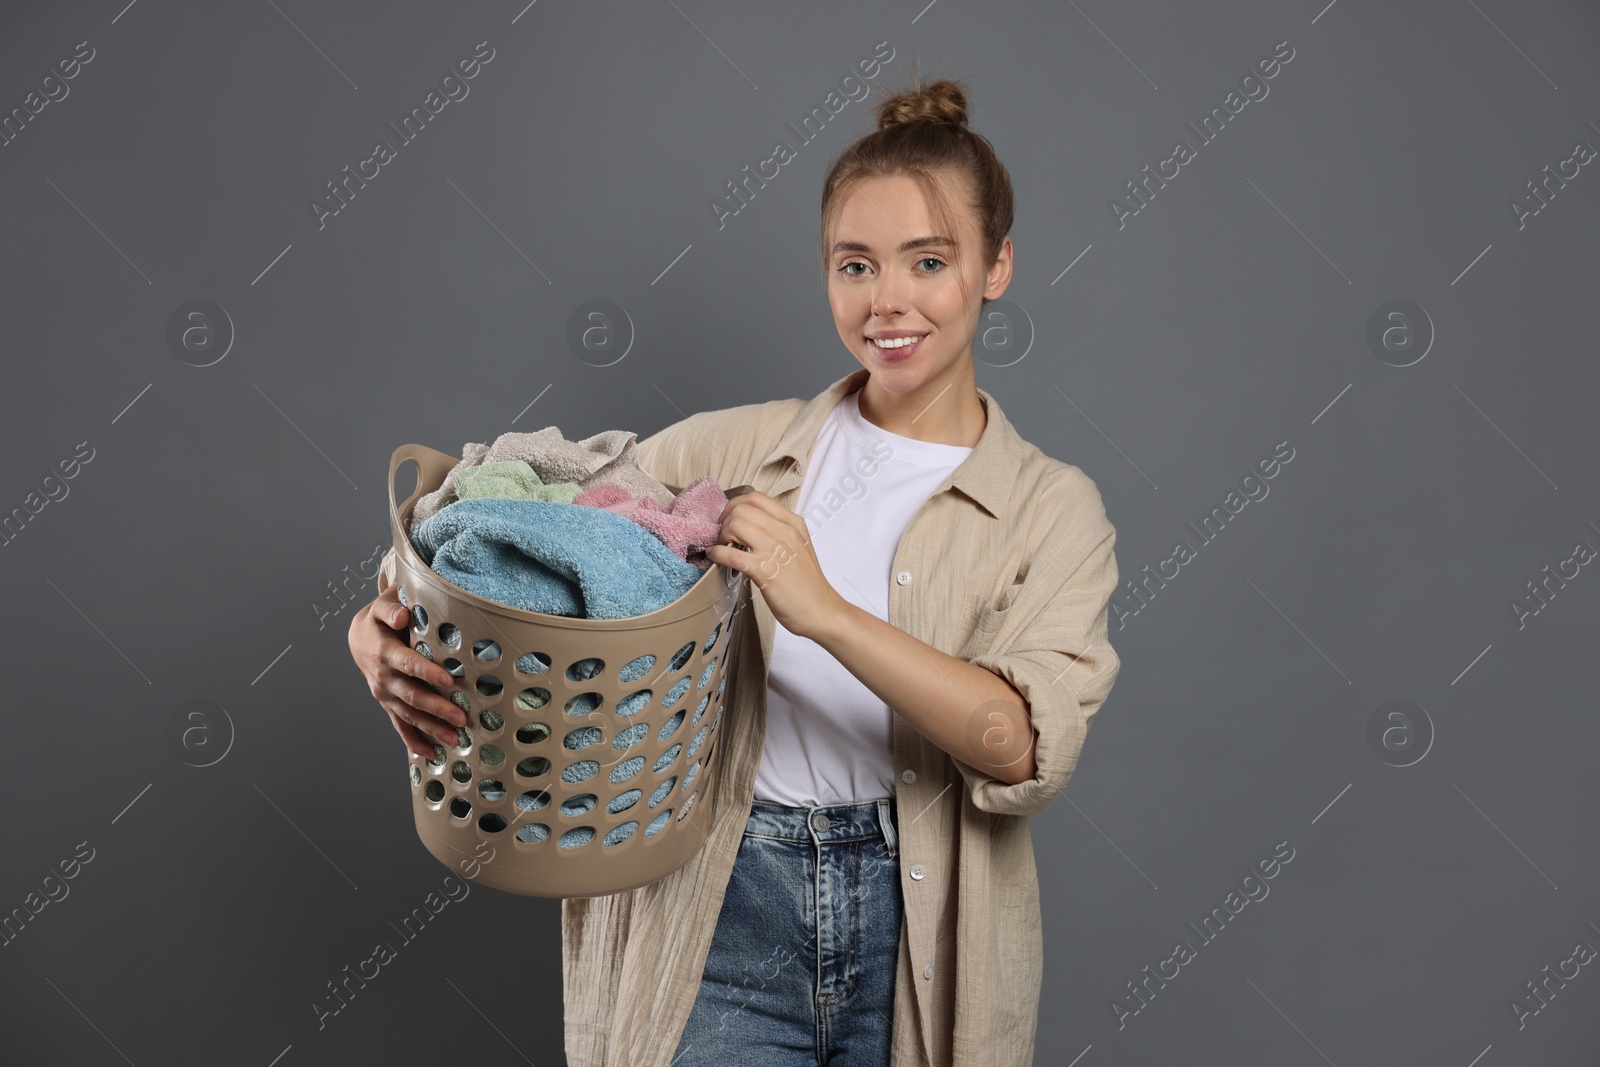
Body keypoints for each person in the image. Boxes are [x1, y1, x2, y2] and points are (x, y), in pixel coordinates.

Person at [349, 70, 1122, 1067]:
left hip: (920, 933)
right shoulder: (736, 451)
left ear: (996, 264)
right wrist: (385, 613)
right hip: (718, 903)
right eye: (854, 266)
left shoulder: (1051, 508)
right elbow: (518, 515)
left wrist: (824, 610)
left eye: (927, 261)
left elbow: (1019, 744)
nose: (887, 299)